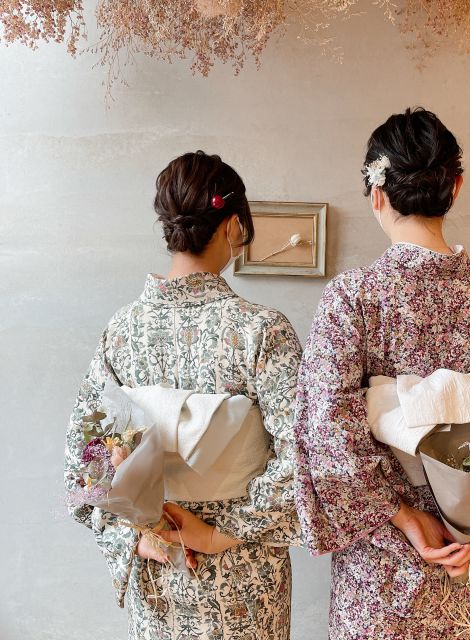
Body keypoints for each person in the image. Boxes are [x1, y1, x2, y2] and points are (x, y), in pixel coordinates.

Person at [293, 108, 470, 639]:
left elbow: (325, 425)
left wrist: (402, 515)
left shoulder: (354, 298)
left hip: (383, 565)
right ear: (455, 188)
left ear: (377, 193)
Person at [64, 151, 302, 640]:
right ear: (233, 226)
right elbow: (307, 452)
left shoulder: (122, 332)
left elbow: (84, 461)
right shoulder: (261, 330)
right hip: (243, 569)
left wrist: (135, 537)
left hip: (160, 563)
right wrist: (219, 533)